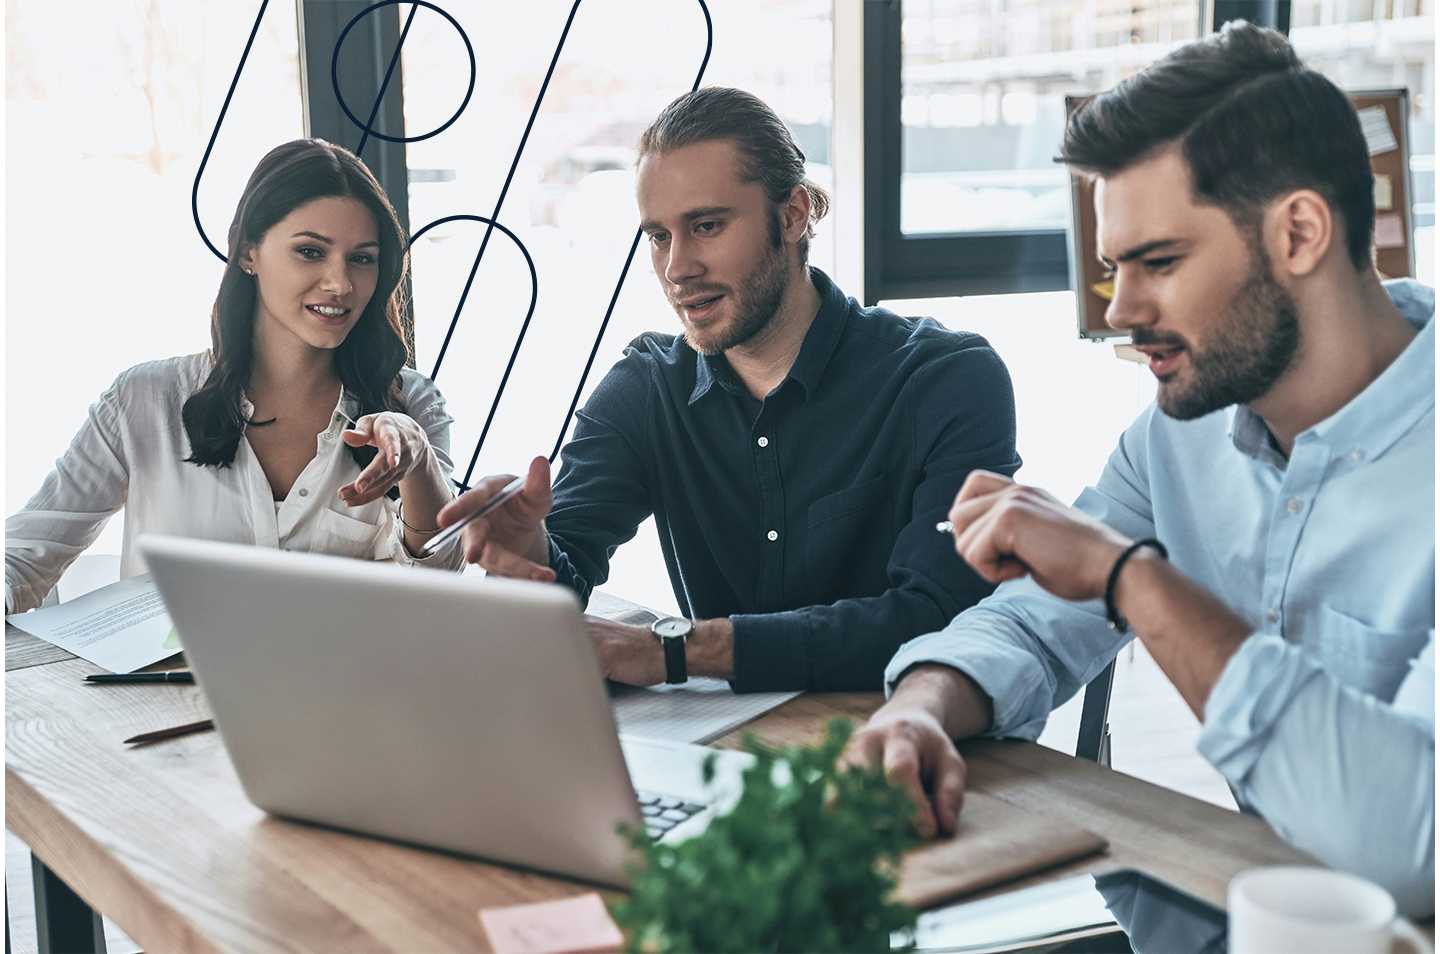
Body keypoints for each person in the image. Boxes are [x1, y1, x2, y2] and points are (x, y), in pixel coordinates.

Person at [845, 22, 1434, 916]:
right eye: (1116, 267)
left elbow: (1409, 845)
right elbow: (1036, 622)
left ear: (1301, 232)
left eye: (1160, 261)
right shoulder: (1179, 437)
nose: (1121, 309)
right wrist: (923, 707)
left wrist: (1132, 580)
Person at [438, 88, 1020, 692]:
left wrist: (679, 650)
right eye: (659, 236)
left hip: (911, 743)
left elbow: (938, 617)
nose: (676, 268)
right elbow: (563, 575)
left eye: (707, 226)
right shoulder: (646, 390)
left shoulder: (946, 379)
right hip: (728, 755)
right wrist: (528, 547)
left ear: (793, 215)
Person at [5, 139, 464, 613]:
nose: (340, 283)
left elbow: (439, 589)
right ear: (249, 252)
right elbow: (23, 561)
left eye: (362, 258)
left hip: (342, 685)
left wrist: (418, 463)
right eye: (310, 252)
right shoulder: (143, 400)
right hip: (161, 688)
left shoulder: (410, 404)